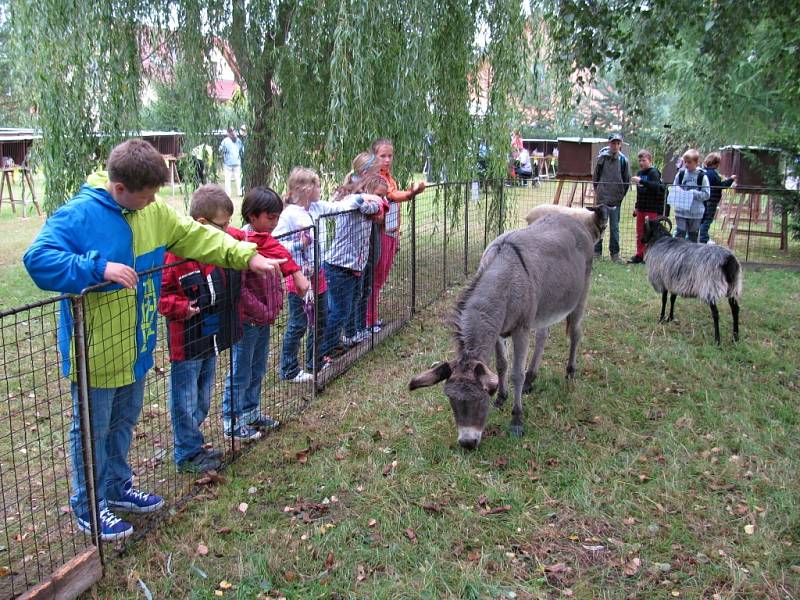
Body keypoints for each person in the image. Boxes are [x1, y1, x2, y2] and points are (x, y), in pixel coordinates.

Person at [22, 139, 285, 542]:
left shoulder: (154, 211)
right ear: (119, 188)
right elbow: (39, 259)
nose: (150, 204)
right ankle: (89, 504)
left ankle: (117, 485)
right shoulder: (79, 214)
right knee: (93, 429)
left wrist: (246, 256)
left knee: (124, 421)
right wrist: (97, 268)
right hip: (96, 349)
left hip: (137, 344)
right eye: (144, 197)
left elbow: (198, 237)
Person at [158, 184, 242, 474]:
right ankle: (187, 452)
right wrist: (182, 308)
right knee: (185, 397)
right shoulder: (175, 257)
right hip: (187, 342)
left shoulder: (217, 245)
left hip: (211, 336)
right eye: (225, 224)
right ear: (203, 224)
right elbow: (160, 295)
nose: (229, 229)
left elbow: (244, 240)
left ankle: (191, 441)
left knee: (204, 395)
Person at [275, 166, 382, 382]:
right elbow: (276, 244)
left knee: (320, 320)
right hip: (299, 277)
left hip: (319, 273)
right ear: (306, 189)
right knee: (299, 323)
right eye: (318, 185)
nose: (320, 189)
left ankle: (313, 362)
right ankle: (289, 368)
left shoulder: (316, 208)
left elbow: (339, 206)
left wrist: (361, 198)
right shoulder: (289, 215)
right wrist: (298, 244)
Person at [223, 187, 310, 439]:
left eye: (276, 218)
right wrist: (259, 308)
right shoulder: (242, 242)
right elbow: (241, 288)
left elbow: (279, 254)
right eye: (269, 218)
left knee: (257, 367)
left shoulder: (266, 242)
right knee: (241, 369)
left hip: (263, 318)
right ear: (252, 217)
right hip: (248, 319)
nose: (274, 223)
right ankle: (232, 419)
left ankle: (250, 412)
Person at [320, 171, 384, 358]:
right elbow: (366, 206)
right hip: (338, 266)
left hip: (354, 266)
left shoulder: (366, 202)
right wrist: (370, 199)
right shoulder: (350, 202)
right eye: (378, 194)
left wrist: (376, 201)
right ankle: (325, 349)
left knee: (348, 306)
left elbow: (378, 208)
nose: (381, 199)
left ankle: (335, 343)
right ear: (364, 188)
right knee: (339, 310)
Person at [369, 139, 425, 332]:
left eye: (390, 156)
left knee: (381, 278)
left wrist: (397, 235)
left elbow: (395, 206)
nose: (387, 160)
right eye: (382, 156)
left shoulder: (390, 177)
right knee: (375, 279)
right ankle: (369, 320)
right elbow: (393, 196)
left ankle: (371, 318)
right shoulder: (377, 180)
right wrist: (411, 193)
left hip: (391, 233)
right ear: (374, 157)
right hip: (381, 234)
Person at [592, 133, 631, 263]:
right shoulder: (602, 159)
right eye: (613, 143)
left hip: (616, 199)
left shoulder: (623, 160)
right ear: (609, 144)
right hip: (602, 198)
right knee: (599, 224)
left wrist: (620, 195)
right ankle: (596, 251)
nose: (615, 145)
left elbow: (627, 180)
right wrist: (599, 190)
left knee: (614, 227)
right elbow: (596, 177)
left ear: (620, 145)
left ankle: (615, 253)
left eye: (618, 143)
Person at [628, 149, 666, 264]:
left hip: (652, 208)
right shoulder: (640, 173)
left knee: (650, 232)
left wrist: (642, 181)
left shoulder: (654, 172)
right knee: (640, 232)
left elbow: (656, 187)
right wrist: (636, 206)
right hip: (641, 208)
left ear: (650, 160)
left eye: (644, 160)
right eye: (639, 160)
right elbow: (639, 193)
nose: (641, 163)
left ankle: (650, 256)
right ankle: (640, 255)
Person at [670, 149, 710, 243]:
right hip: (681, 211)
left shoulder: (702, 176)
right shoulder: (680, 174)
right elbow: (674, 188)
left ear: (696, 162)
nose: (686, 164)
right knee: (680, 234)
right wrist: (678, 192)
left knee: (693, 237)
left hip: (695, 213)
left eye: (689, 162)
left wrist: (693, 193)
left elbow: (707, 194)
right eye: (685, 162)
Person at [699, 152, 736, 244]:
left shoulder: (703, 172)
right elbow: (720, 186)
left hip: (704, 199)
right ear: (716, 163)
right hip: (712, 200)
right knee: (707, 220)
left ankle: (700, 236)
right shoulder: (713, 174)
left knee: (702, 219)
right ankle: (703, 239)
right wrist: (731, 179)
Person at [219, 127, 243, 198]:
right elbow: (242, 150)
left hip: (228, 162)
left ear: (228, 133)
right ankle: (240, 192)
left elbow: (220, 150)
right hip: (237, 161)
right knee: (238, 178)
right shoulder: (238, 140)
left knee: (227, 178)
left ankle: (228, 193)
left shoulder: (225, 141)